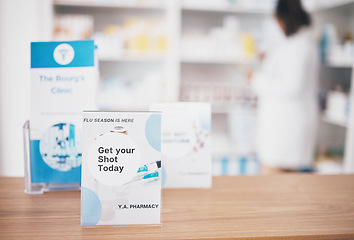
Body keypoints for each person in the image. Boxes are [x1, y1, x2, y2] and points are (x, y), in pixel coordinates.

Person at [249, 0, 319, 174]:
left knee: (272, 187)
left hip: (284, 130)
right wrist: (269, 60)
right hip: (288, 126)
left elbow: (291, 86)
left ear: (284, 19)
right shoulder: (298, 44)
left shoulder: (297, 46)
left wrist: (255, 78)